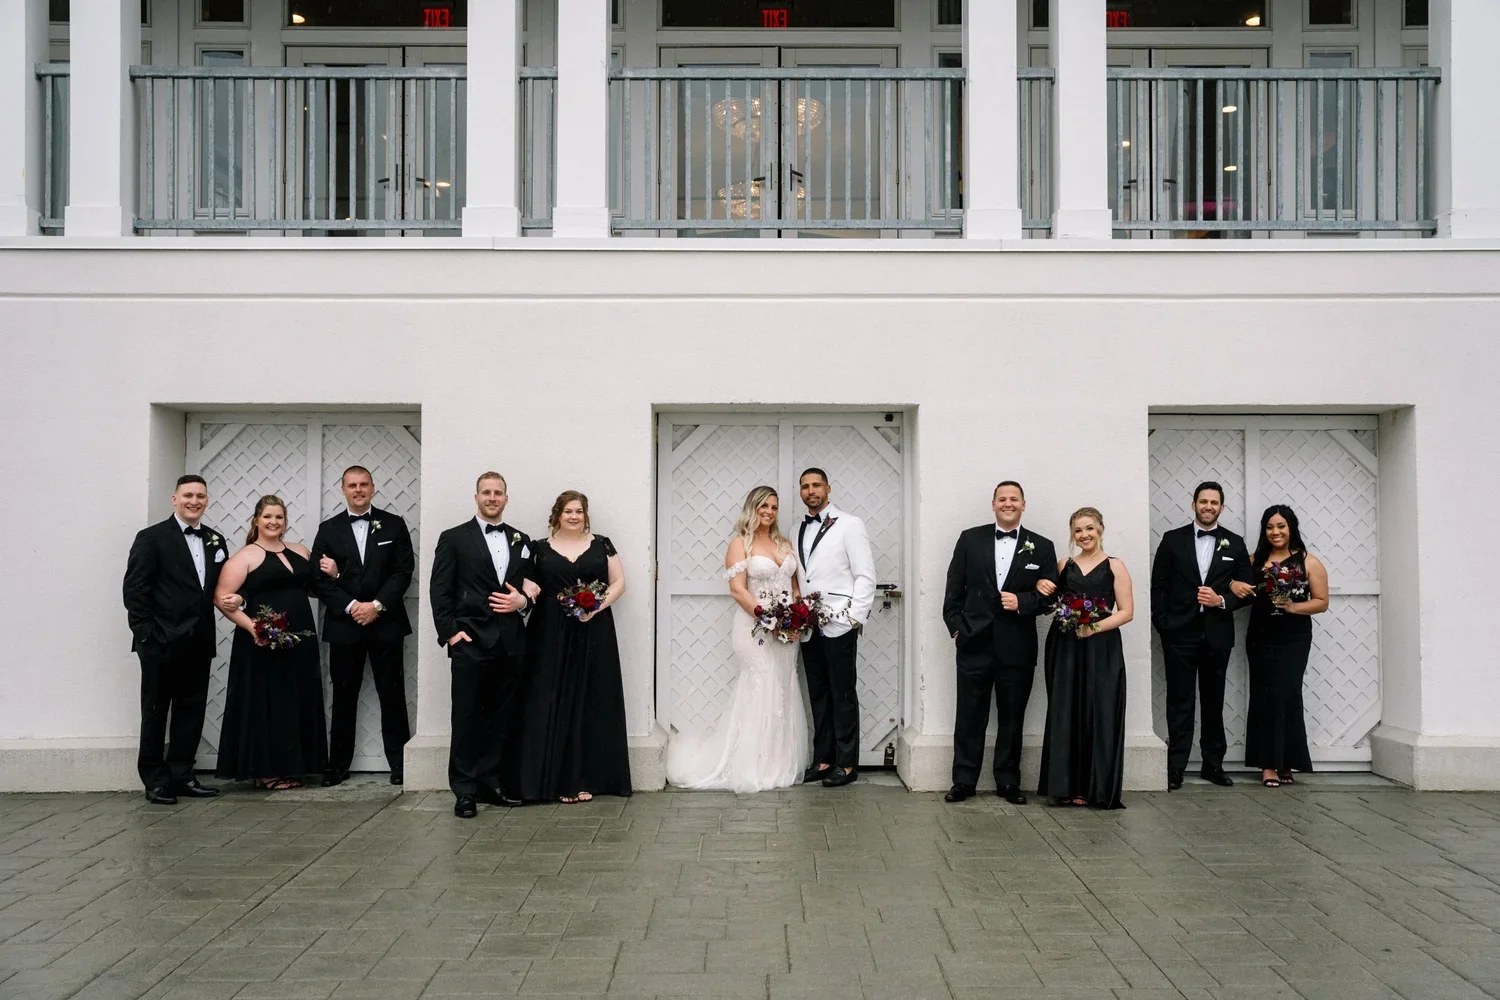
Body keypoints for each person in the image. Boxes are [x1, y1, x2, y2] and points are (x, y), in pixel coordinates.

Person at [665, 486, 809, 793]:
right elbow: (738, 590)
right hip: (754, 628)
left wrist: (796, 616)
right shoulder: (739, 544)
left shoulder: (784, 543)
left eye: (774, 507)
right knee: (762, 684)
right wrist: (767, 619)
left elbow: (795, 585)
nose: (769, 512)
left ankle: (777, 763)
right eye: (763, 506)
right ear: (752, 509)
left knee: (783, 686)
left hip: (786, 631)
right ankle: (750, 765)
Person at [941, 481, 1059, 804]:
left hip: (1017, 648)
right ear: (993, 504)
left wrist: (1023, 601)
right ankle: (963, 781)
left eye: (1014, 499)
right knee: (969, 717)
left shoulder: (1042, 546)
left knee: (1012, 718)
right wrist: (957, 629)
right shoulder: (970, 539)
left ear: (1024, 504)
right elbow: (953, 591)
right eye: (1002, 499)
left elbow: (1052, 598)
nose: (1008, 503)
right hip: (973, 644)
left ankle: (1008, 782)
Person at [429, 472, 537, 818]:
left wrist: (523, 603)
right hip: (471, 641)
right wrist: (450, 633)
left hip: (510, 642)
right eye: (486, 492)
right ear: (476, 497)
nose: (492, 497)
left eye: (498, 493)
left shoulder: (522, 540)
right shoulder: (453, 538)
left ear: (506, 498)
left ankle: (491, 784)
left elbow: (532, 586)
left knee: (500, 719)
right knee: (466, 718)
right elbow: (440, 589)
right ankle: (464, 791)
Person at [516, 490, 632, 803]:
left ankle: (587, 779)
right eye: (568, 511)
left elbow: (619, 582)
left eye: (579, 511)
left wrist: (595, 607)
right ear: (557, 514)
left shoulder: (602, 544)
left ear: (585, 514)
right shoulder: (538, 547)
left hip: (593, 629)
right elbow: (523, 578)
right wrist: (527, 583)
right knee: (550, 698)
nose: (574, 516)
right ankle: (555, 781)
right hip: (548, 632)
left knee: (591, 698)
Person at [121, 475, 228, 805]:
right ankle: (155, 780)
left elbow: (217, 587)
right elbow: (135, 590)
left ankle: (182, 775)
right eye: (188, 495)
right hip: (160, 642)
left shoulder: (215, 539)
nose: (194, 501)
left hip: (199, 640)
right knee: (155, 712)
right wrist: (146, 634)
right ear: (175, 499)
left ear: (206, 500)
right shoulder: (151, 538)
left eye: (200, 496)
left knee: (191, 711)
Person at [212, 495, 328, 790]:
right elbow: (222, 599)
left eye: (279, 517)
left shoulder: (300, 550)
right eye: (267, 517)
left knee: (296, 698)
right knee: (270, 702)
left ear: (285, 521)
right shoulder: (245, 556)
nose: (273, 522)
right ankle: (267, 770)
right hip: (264, 641)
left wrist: (334, 572)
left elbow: (315, 589)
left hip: (301, 638)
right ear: (256, 520)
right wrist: (254, 628)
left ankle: (297, 765)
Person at [310, 465, 415, 787]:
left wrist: (376, 606)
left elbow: (402, 572)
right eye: (352, 485)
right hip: (345, 626)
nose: (358, 490)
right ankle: (338, 767)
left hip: (386, 624)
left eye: (363, 484)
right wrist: (353, 606)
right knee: (343, 696)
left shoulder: (394, 525)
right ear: (343, 489)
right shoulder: (328, 529)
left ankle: (400, 765)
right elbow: (318, 580)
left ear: (372, 488)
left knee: (392, 695)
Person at [1150, 481, 1254, 790]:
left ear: (1222, 507)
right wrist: (1163, 624)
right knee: (1179, 702)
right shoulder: (1172, 539)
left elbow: (1247, 589)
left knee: (1213, 701)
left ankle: (1213, 765)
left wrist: (1221, 600)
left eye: (1214, 502)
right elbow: (1159, 586)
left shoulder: (1235, 543)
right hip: (1179, 635)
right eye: (1203, 501)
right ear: (1194, 504)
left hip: (1216, 635)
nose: (1208, 506)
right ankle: (1175, 768)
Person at [1035, 507, 1133, 809]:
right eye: (1078, 530)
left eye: (1089, 528)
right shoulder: (1063, 565)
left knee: (1099, 709)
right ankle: (1064, 787)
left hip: (1101, 647)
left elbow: (1127, 612)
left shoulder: (1115, 566)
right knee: (1066, 710)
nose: (1084, 535)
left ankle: (1094, 789)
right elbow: (1048, 602)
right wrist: (1040, 585)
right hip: (1065, 646)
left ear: (1100, 528)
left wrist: (1093, 628)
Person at [1230, 505, 1329, 788]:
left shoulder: (1308, 562)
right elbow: (1231, 583)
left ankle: (1287, 761)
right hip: (1260, 637)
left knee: (1288, 694)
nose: (1275, 532)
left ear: (1291, 528)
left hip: (1294, 638)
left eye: (1281, 526)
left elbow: (1322, 602)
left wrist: (1294, 607)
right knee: (1264, 696)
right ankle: (1267, 765)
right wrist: (1234, 583)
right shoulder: (1254, 561)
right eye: (1270, 527)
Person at [795, 468, 876, 788]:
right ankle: (824, 759)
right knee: (818, 693)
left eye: (816, 485)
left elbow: (865, 575)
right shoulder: (796, 527)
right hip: (809, 625)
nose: (811, 490)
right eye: (805, 486)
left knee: (842, 694)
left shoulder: (850, 524)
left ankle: (847, 763)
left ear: (828, 488)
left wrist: (853, 618)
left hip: (839, 623)